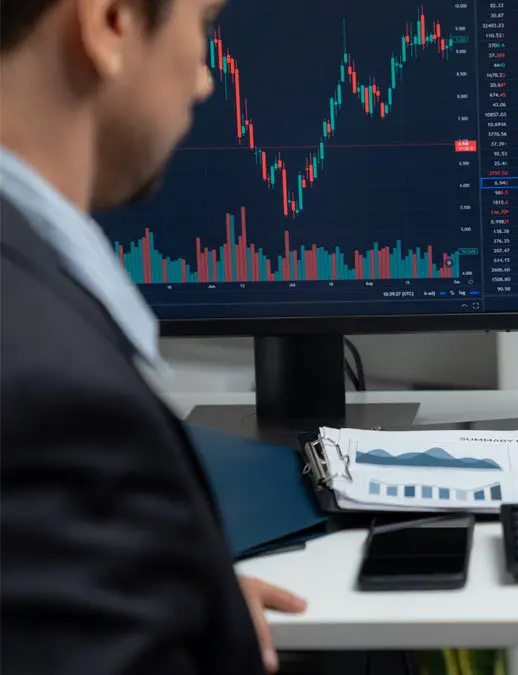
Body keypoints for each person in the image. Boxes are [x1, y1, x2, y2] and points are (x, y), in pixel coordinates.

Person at [0, 0, 306, 673]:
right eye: (203, 31)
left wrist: (162, 589)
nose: (204, 80)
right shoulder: (55, 402)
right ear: (111, 23)